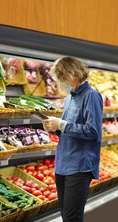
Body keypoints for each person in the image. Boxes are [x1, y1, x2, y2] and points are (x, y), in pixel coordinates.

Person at [42, 56, 103, 222]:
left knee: (72, 218)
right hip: (63, 165)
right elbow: (69, 130)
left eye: (62, 78)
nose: (61, 83)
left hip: (79, 166)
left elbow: (93, 131)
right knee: (66, 216)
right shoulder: (69, 97)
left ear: (73, 75)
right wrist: (55, 128)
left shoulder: (91, 96)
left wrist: (62, 125)